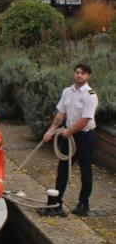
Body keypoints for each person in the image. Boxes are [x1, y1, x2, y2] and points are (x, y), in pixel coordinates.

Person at [41, 63, 98, 216]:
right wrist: (51, 131)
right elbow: (61, 115)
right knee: (63, 169)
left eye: (83, 73)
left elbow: (85, 120)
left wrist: (68, 132)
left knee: (85, 170)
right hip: (69, 134)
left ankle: (83, 204)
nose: (79, 75)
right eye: (77, 72)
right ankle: (57, 204)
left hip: (85, 136)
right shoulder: (67, 91)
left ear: (88, 76)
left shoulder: (90, 95)